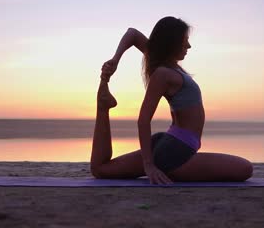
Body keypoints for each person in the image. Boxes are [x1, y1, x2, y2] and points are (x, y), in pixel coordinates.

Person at [90, 16, 253, 185]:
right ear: (171, 42)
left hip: (169, 145)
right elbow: (143, 120)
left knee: (101, 170)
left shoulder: (169, 67)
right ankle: (102, 107)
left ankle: (103, 107)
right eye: (185, 41)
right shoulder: (163, 74)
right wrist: (149, 166)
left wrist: (116, 59)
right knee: (245, 168)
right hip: (175, 154)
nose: (189, 46)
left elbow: (132, 34)